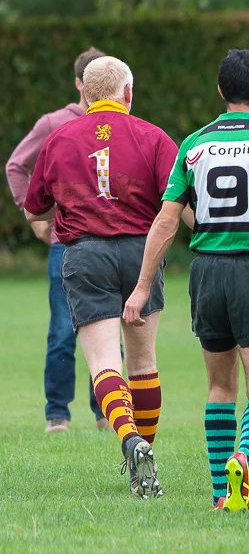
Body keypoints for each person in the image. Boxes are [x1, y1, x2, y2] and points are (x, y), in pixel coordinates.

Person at [123, 49, 249, 511]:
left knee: (219, 388)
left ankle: (222, 495)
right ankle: (244, 455)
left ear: (220, 91)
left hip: (207, 273)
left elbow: (166, 222)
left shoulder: (193, 145)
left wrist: (140, 287)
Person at [23, 56, 177, 498]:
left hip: (85, 254)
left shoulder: (59, 139)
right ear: (128, 93)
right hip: (140, 253)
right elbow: (176, 203)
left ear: (85, 95)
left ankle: (129, 440)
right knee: (143, 362)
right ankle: (144, 451)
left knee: (104, 365)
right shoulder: (154, 137)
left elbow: (35, 207)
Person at [7, 47, 108, 433]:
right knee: (64, 331)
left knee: (108, 332)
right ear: (80, 83)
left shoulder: (119, 123)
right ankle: (58, 414)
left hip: (109, 243)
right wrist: (32, 214)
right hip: (65, 245)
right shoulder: (54, 123)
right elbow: (17, 165)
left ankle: (105, 412)